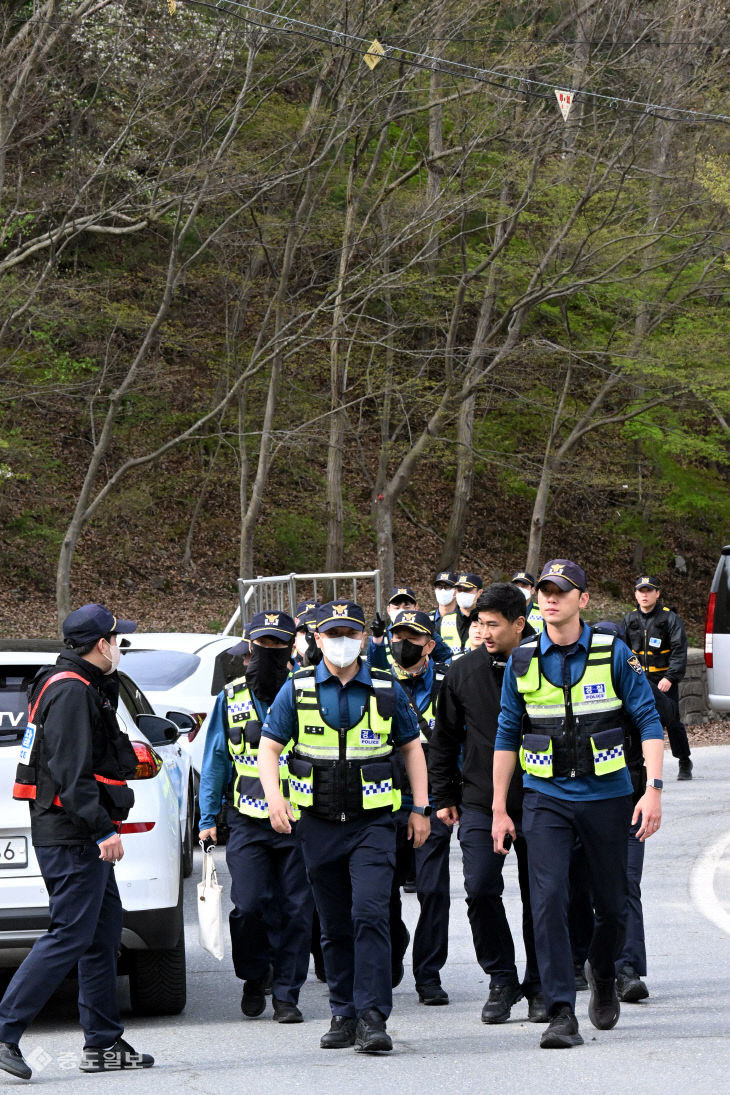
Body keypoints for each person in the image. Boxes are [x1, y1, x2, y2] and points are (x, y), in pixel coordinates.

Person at [492, 559, 665, 1050]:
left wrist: (652, 789)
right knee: (546, 901)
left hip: (608, 798)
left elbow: (649, 721)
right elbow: (508, 733)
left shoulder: (614, 653)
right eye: (545, 591)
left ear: (583, 600)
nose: (551, 598)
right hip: (545, 798)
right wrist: (502, 806)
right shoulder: (523, 661)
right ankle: (560, 1011)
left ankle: (605, 971)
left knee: (611, 907)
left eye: (562, 592)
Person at [257, 600, 429, 1054]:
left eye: (351, 633)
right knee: (333, 924)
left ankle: (373, 1017)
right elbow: (269, 749)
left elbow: (412, 748)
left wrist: (421, 808)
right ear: (317, 639)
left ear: (364, 639)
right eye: (333, 634)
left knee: (370, 914)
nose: (342, 642)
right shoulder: (297, 689)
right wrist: (275, 799)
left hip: (373, 823)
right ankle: (343, 1011)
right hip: (317, 824)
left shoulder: (387, 687)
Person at [0, 603, 153, 1080]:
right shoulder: (70, 691)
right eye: (117, 640)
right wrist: (102, 828)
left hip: (71, 831)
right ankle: (5, 1030)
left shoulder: (73, 682)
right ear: (101, 644)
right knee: (70, 933)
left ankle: (104, 1043)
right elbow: (70, 773)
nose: (120, 647)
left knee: (102, 933)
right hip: (72, 835)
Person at [429, 584, 545, 1024]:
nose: (483, 632)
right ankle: (501, 979)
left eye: (493, 624)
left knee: (543, 897)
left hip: (539, 797)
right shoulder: (462, 671)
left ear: (519, 623)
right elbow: (443, 738)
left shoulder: (544, 661)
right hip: (478, 799)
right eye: (479, 623)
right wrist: (444, 795)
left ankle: (539, 983)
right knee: (478, 888)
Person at [198, 611, 313, 1024]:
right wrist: (206, 816)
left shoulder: (309, 691)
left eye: (278, 645)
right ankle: (254, 975)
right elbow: (215, 760)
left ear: (290, 649)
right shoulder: (230, 698)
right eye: (262, 645)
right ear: (249, 647)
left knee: (297, 910)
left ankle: (287, 993)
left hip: (302, 818)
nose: (269, 652)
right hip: (248, 819)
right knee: (248, 906)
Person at [386, 609, 452, 1005]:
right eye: (398, 637)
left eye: (413, 638)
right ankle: (394, 948)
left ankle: (428, 973)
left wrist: (451, 797)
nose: (403, 645)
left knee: (433, 891)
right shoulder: (376, 683)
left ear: (429, 645)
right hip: (384, 803)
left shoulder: (449, 683)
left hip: (433, 805)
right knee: (383, 892)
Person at [623, 576, 692, 780]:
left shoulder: (669, 618)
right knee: (635, 721)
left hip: (664, 679)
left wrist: (671, 677)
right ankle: (636, 764)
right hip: (640, 680)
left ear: (657, 593)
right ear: (635, 594)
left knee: (672, 721)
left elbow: (679, 650)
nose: (644, 594)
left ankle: (684, 760)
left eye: (649, 590)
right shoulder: (629, 619)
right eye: (641, 591)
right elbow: (623, 651)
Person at [369, 587, 451, 669]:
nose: (401, 611)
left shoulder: (426, 633)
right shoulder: (381, 636)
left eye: (406, 607)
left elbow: (446, 657)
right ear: (389, 610)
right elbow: (373, 666)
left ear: (416, 608)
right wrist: (377, 639)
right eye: (397, 608)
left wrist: (434, 671)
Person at [434, 572, 483, 656]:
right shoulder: (443, 621)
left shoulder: (486, 621)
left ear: (480, 592)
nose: (463, 593)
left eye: (467, 590)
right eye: (459, 590)